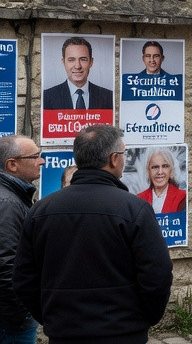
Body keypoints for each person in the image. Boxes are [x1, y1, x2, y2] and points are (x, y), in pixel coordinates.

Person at [14, 124, 171, 344]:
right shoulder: (135, 209)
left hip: (65, 332)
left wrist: (51, 317)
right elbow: (158, 275)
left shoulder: (41, 210)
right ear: (114, 159)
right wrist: (144, 318)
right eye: (123, 155)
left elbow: (23, 278)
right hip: (123, 332)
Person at [0, 136, 41, 344]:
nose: (41, 161)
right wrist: (21, 315)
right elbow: (6, 265)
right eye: (35, 156)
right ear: (12, 164)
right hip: (12, 323)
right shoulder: (7, 202)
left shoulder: (13, 196)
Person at [41, 36, 113, 110]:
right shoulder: (47, 97)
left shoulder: (108, 96)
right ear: (63, 62)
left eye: (83, 59)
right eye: (71, 60)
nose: (77, 66)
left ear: (91, 62)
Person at [137, 147, 186, 214]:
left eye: (165, 166)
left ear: (171, 170)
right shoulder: (139, 199)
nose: (160, 172)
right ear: (148, 171)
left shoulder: (182, 197)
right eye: (155, 167)